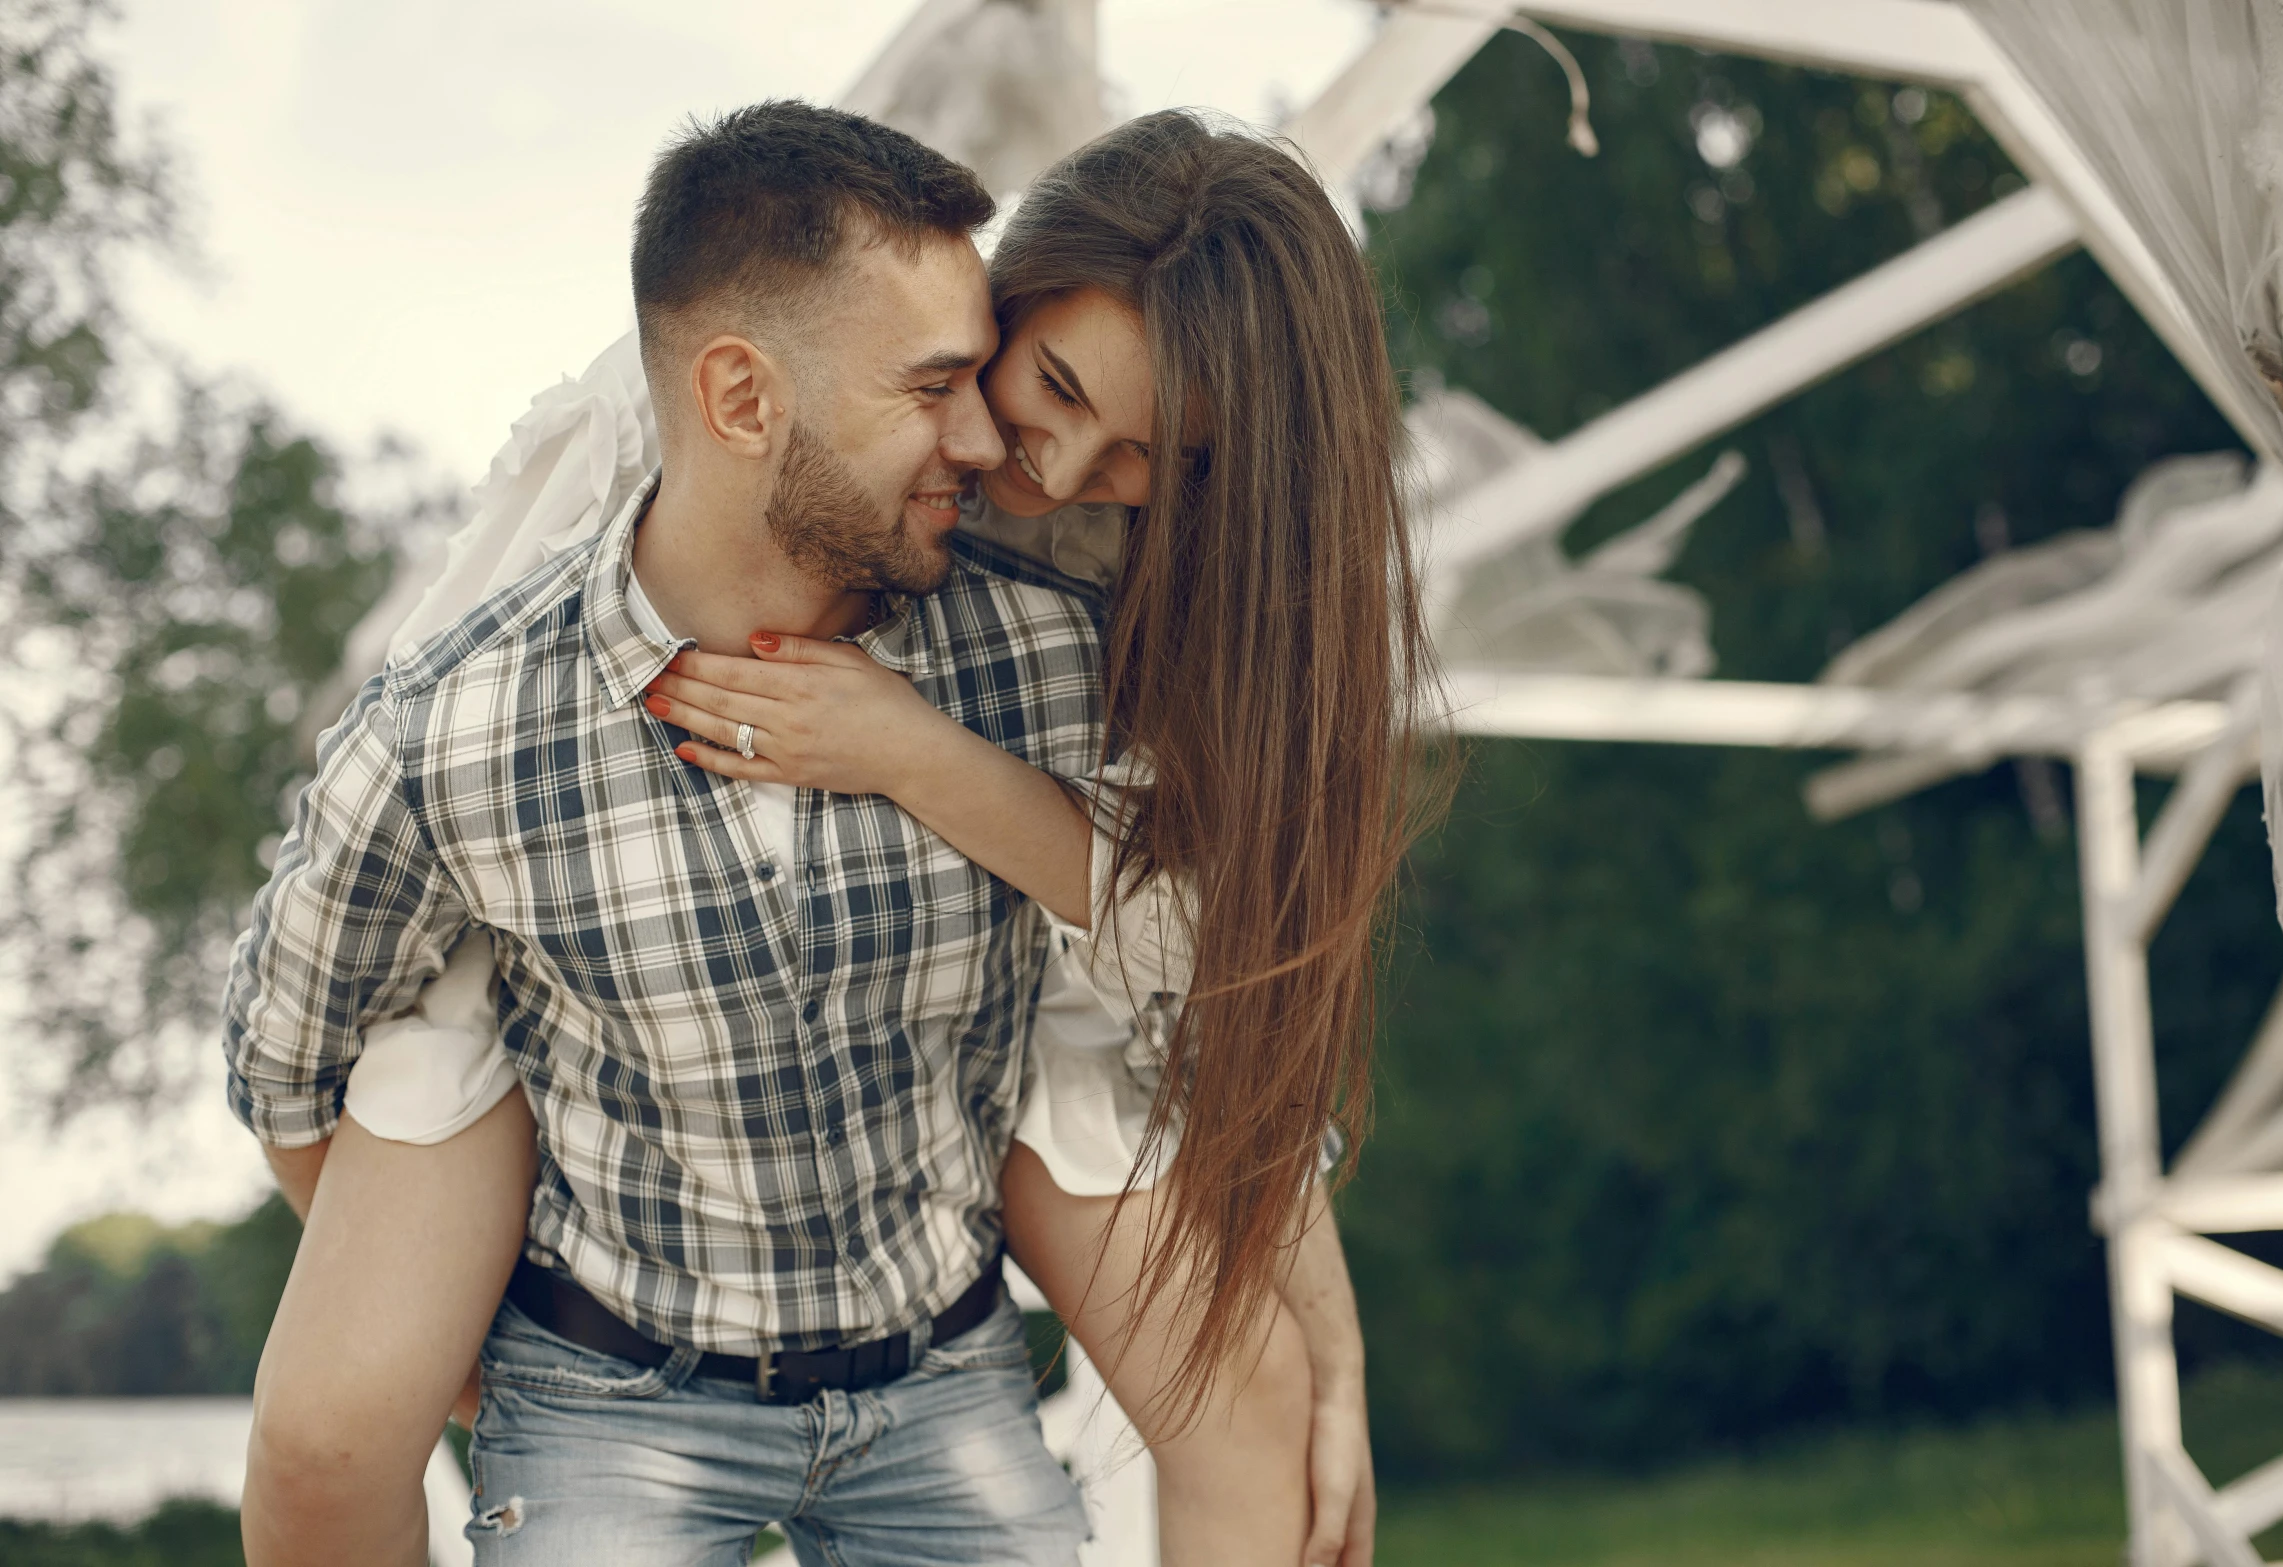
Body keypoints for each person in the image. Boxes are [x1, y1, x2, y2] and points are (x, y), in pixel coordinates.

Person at [234, 104, 1437, 1567]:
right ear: (1019, 288)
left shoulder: (1127, 604)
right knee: (329, 1417)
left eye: (1143, 456)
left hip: (1031, 985)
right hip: (579, 1004)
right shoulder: (664, 462)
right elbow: (377, 865)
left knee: (1257, 1392)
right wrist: (464, 1341)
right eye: (1038, 380)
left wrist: (918, 754)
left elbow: (1229, 980)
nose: (1039, 465)